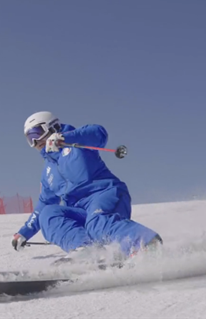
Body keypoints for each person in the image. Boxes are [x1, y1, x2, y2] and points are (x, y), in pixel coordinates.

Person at [11, 111, 162, 262]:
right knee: (48, 214)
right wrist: (24, 232)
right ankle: (87, 251)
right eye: (30, 139)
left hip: (105, 194)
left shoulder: (76, 141)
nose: (36, 142)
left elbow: (99, 133)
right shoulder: (48, 171)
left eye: (37, 133)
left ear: (52, 127)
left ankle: (146, 244)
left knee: (97, 222)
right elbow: (44, 203)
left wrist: (65, 138)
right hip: (81, 210)